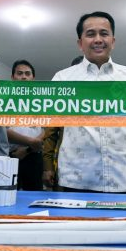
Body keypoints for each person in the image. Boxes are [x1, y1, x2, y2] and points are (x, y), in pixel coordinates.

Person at [51, 12, 126, 193]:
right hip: (77, 181)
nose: (98, 39)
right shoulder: (63, 78)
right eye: (91, 34)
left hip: (125, 179)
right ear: (80, 43)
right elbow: (34, 113)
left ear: (113, 41)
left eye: (104, 33)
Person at [42, 55, 83, 190]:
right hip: (67, 168)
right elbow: (50, 135)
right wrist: (48, 168)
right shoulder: (61, 102)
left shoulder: (102, 101)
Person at [6, 60, 44, 190]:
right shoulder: (4, 100)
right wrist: (30, 142)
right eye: (20, 73)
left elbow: (46, 128)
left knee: (34, 195)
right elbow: (2, 130)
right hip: (12, 155)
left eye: (28, 74)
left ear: (33, 78)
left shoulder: (41, 101)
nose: (24, 77)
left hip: (34, 156)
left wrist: (29, 149)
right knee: (9, 194)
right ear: (12, 77)